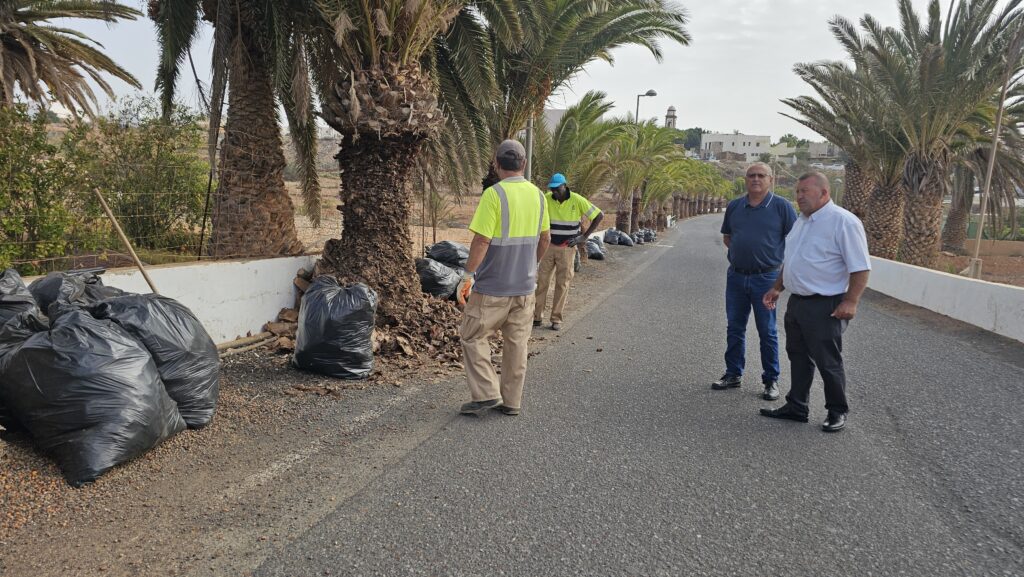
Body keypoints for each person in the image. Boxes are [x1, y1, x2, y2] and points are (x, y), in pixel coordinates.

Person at [760, 172, 871, 432]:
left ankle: (837, 410)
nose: (799, 196)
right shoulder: (802, 221)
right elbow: (793, 260)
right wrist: (777, 288)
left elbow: (860, 267)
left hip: (826, 304)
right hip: (798, 302)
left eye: (805, 191)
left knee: (827, 360)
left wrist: (851, 301)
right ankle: (797, 406)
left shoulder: (843, 222)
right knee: (797, 356)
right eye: (798, 192)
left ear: (824, 193)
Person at [456, 140, 551, 417]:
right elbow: (545, 238)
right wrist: (530, 265)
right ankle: (512, 401)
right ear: (524, 164)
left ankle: (487, 393)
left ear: (496, 164)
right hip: (525, 288)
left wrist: (467, 276)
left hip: (492, 287)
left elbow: (482, 240)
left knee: (472, 336)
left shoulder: (494, 194)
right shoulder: (539, 196)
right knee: (517, 344)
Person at [712, 162, 797, 401]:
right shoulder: (735, 206)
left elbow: (795, 242)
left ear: (771, 179)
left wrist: (779, 280)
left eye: (761, 175)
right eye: (751, 175)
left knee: (767, 331)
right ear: (745, 179)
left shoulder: (782, 207)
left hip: (766, 278)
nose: (756, 179)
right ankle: (733, 373)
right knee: (734, 327)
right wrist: (741, 255)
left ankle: (771, 380)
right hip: (736, 277)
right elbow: (728, 237)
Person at [533, 173, 604, 331]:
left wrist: (583, 237)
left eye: (557, 189)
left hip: (567, 248)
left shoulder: (577, 200)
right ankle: (537, 317)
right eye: (552, 189)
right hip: (548, 246)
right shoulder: (546, 198)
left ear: (564, 186)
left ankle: (556, 319)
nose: (554, 192)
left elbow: (599, 215)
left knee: (562, 283)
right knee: (542, 281)